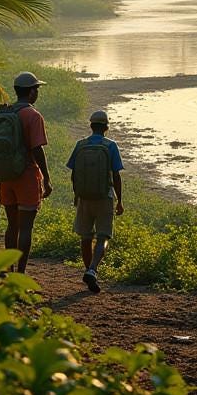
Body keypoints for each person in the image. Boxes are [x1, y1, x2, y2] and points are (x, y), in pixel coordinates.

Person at [66, 109, 125, 294]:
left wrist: (77, 193)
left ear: (91, 126)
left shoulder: (80, 144)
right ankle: (92, 269)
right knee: (103, 236)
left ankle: (88, 270)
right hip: (104, 196)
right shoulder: (111, 146)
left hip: (84, 197)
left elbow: (74, 173)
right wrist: (120, 200)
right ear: (106, 127)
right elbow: (116, 175)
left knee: (85, 236)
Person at [0, 72, 52, 273]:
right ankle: (20, 274)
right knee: (26, 228)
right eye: (36, 89)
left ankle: (9, 268)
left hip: (5, 176)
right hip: (27, 175)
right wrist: (46, 178)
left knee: (11, 226)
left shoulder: (5, 113)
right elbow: (37, 149)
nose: (37, 92)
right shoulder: (33, 115)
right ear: (30, 92)